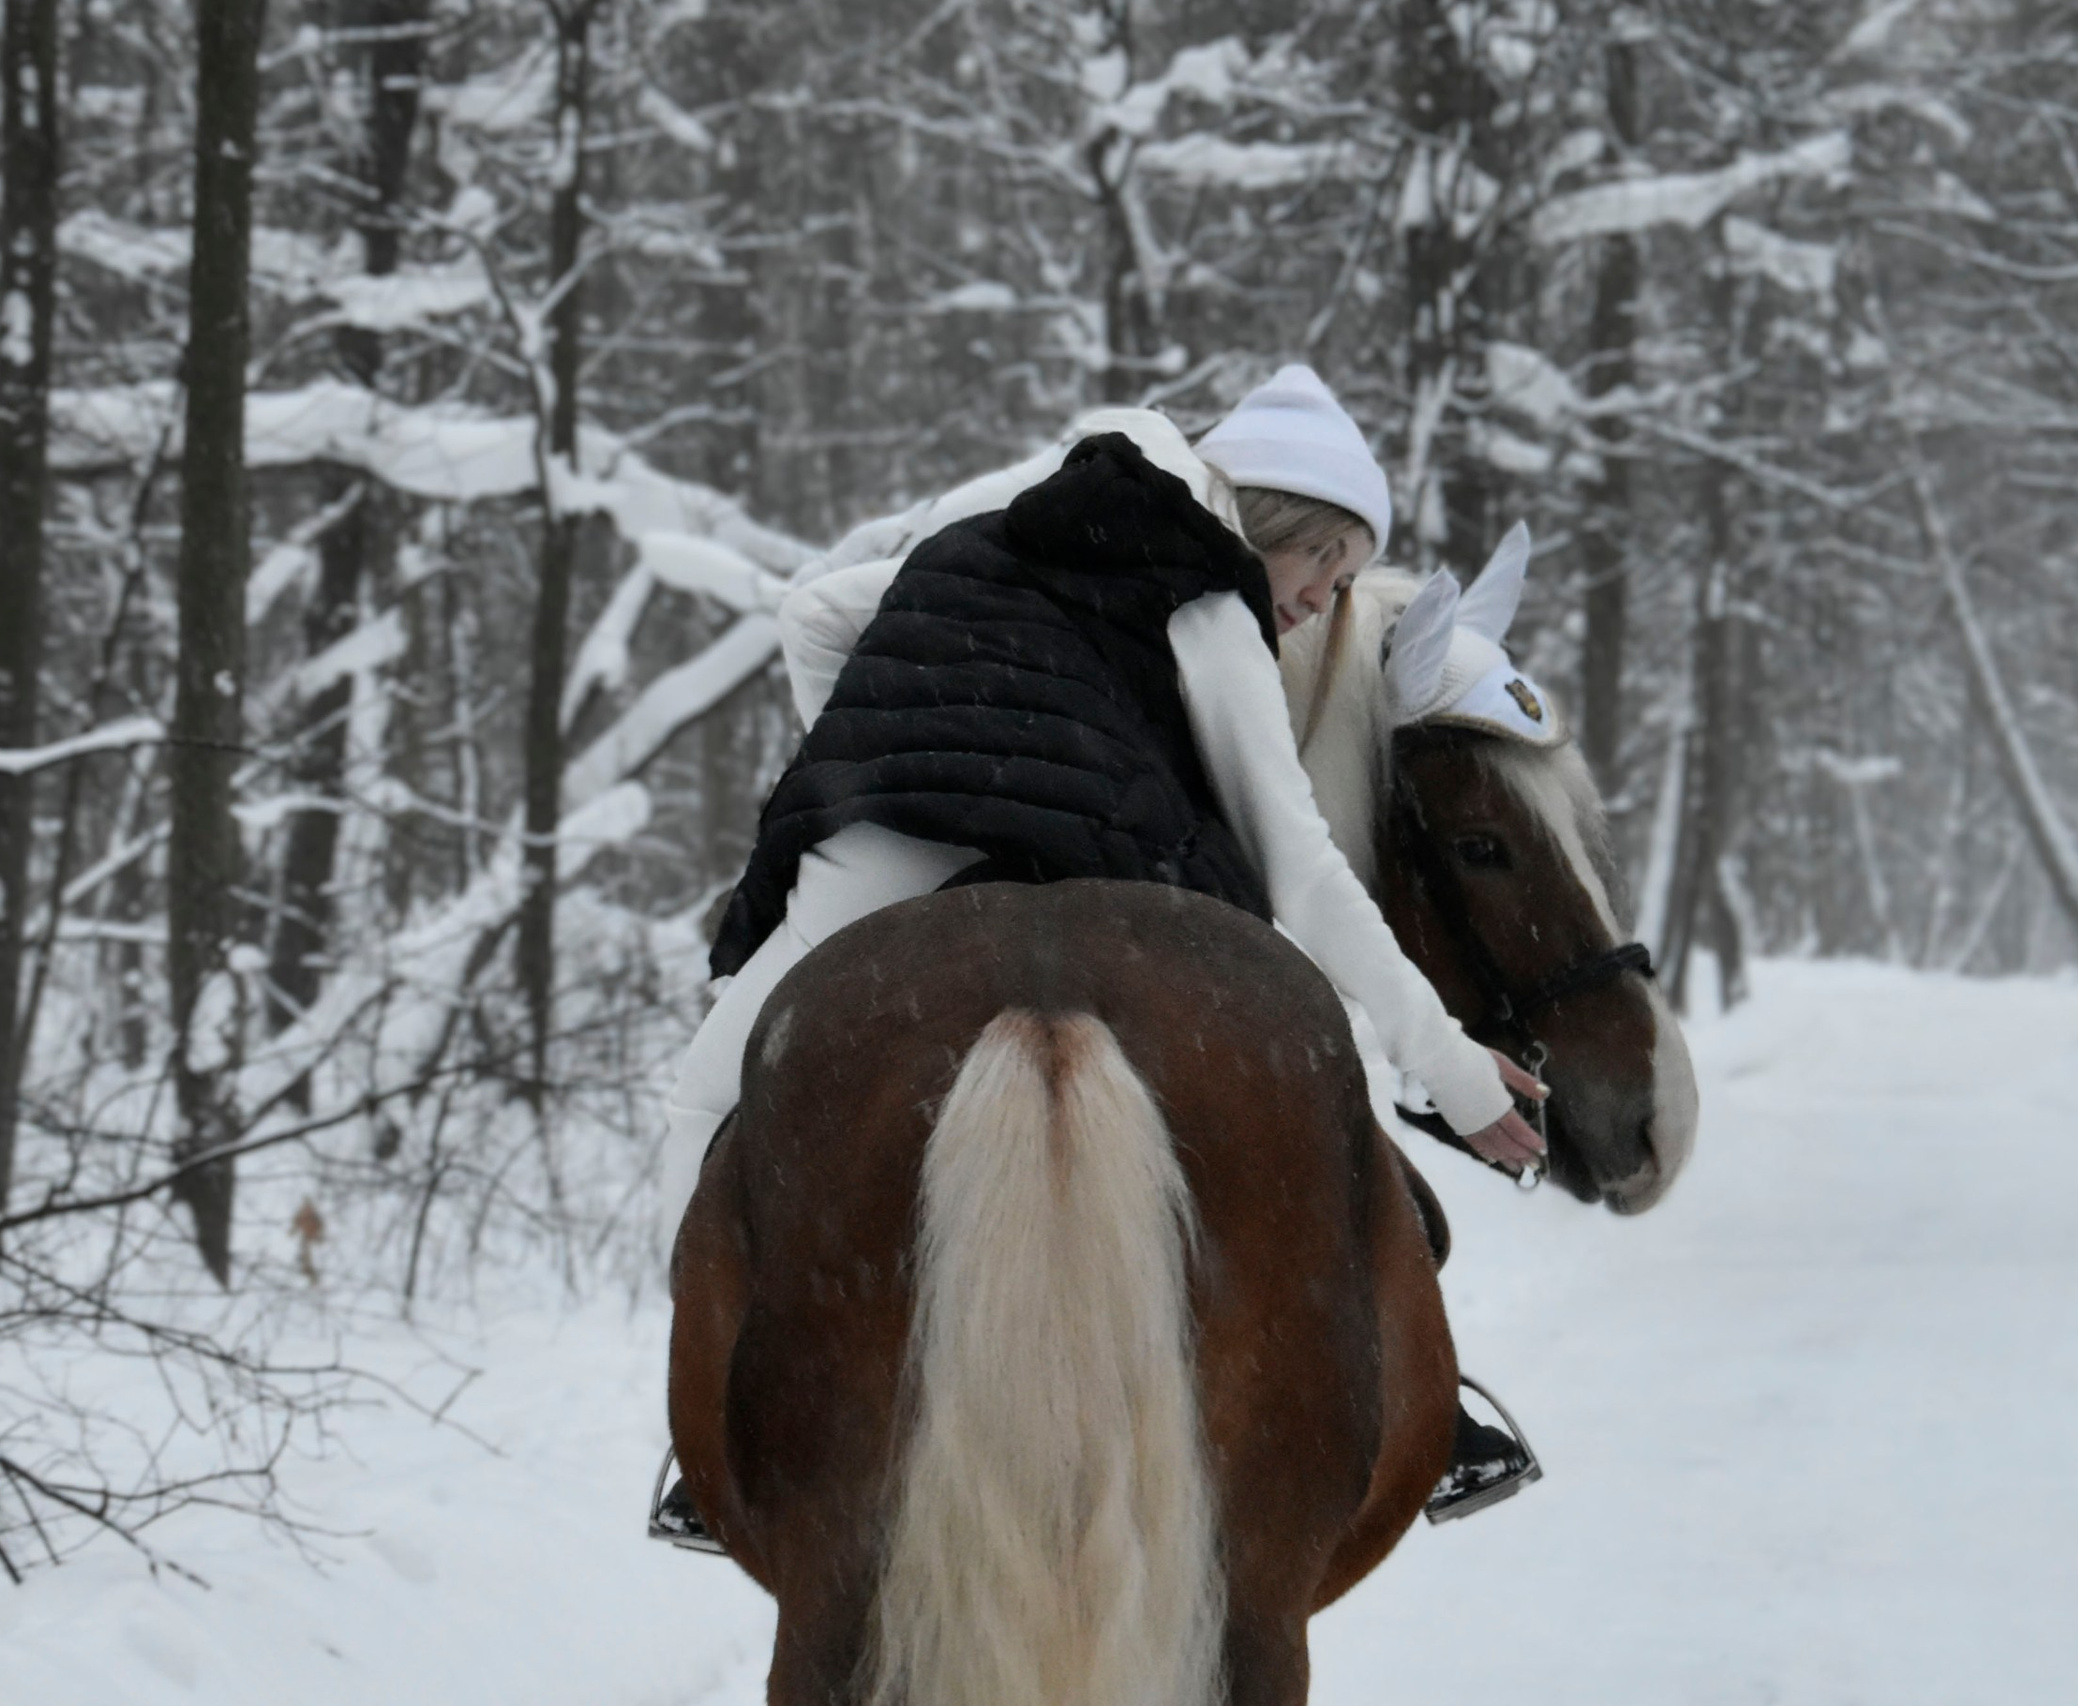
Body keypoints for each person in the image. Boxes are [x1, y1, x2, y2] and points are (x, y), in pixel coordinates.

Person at [651, 366, 1541, 1549]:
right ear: (1267, 519)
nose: (1325, 600)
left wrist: (863, 752)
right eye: (1324, 561)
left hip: (884, 851)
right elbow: (1304, 868)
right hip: (1103, 856)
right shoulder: (1210, 600)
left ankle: (705, 1428)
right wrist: (1461, 1074)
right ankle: (1431, 1410)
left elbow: (813, 615)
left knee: (709, 1095)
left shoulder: (1004, 519)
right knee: (1313, 1090)